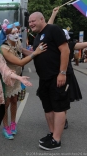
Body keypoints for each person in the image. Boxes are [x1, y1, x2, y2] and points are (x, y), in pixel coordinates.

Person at [28, 12, 70, 150]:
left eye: (33, 21)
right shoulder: (38, 36)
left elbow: (65, 50)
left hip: (56, 77)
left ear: (42, 19)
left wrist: (62, 73)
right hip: (44, 79)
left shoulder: (53, 29)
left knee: (58, 107)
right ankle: (52, 134)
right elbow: (35, 54)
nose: (31, 24)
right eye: (29, 22)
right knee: (48, 107)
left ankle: (56, 140)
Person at [0, 19, 46, 139]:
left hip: (18, 77)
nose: (16, 35)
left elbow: (22, 50)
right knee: (6, 103)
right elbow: (20, 62)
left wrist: (33, 51)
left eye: (17, 32)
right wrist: (35, 53)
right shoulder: (4, 48)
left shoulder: (17, 41)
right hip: (8, 78)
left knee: (14, 100)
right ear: (7, 34)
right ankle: (6, 126)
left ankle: (13, 123)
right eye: (13, 33)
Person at [48, 6, 83, 129]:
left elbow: (84, 44)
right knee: (53, 98)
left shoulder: (70, 45)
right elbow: (48, 28)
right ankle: (57, 119)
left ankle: (63, 119)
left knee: (64, 99)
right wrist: (53, 14)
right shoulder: (51, 44)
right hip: (52, 75)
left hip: (66, 74)